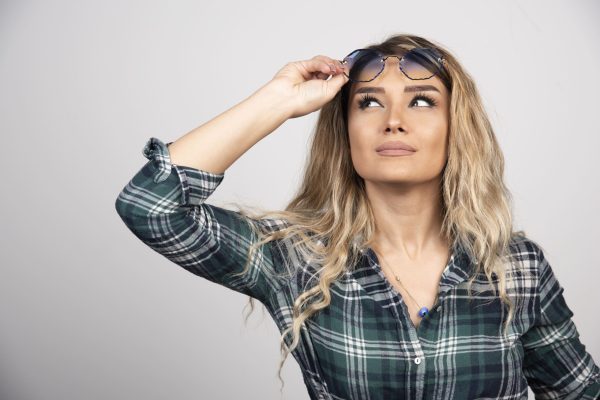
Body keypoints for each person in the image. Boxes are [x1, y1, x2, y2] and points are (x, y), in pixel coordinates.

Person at [115, 33, 600, 399]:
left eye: (422, 101)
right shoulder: (296, 260)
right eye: (369, 102)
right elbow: (151, 206)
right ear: (345, 129)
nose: (393, 119)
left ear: (457, 129)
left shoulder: (517, 268)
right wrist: (280, 100)